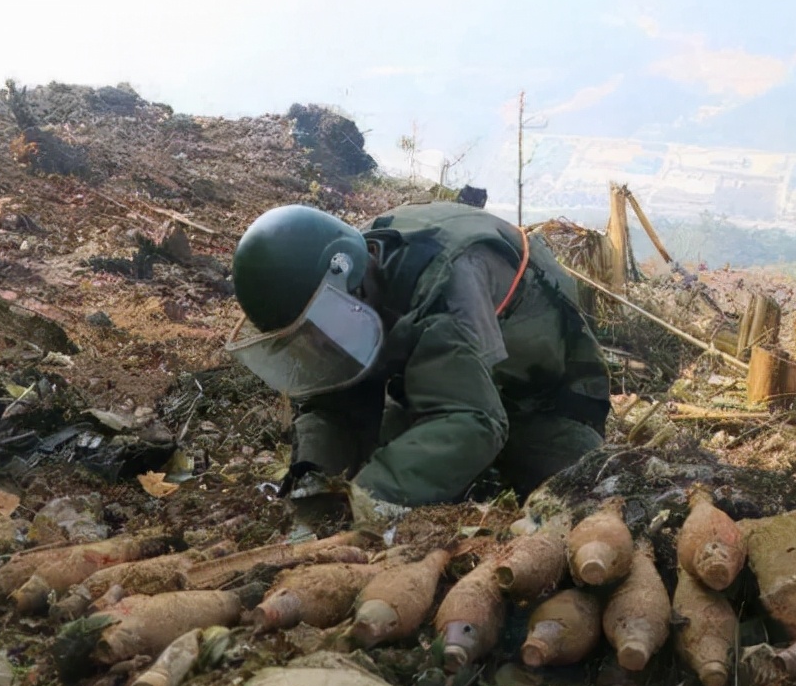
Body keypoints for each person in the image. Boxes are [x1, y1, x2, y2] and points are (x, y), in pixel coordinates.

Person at [225, 199, 611, 523]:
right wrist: (313, 481)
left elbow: (474, 421)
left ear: (350, 278)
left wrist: (364, 502)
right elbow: (331, 398)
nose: (321, 344)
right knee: (393, 467)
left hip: (537, 398)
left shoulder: (448, 283)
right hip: (437, 379)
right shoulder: (338, 270)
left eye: (321, 327)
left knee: (581, 494)